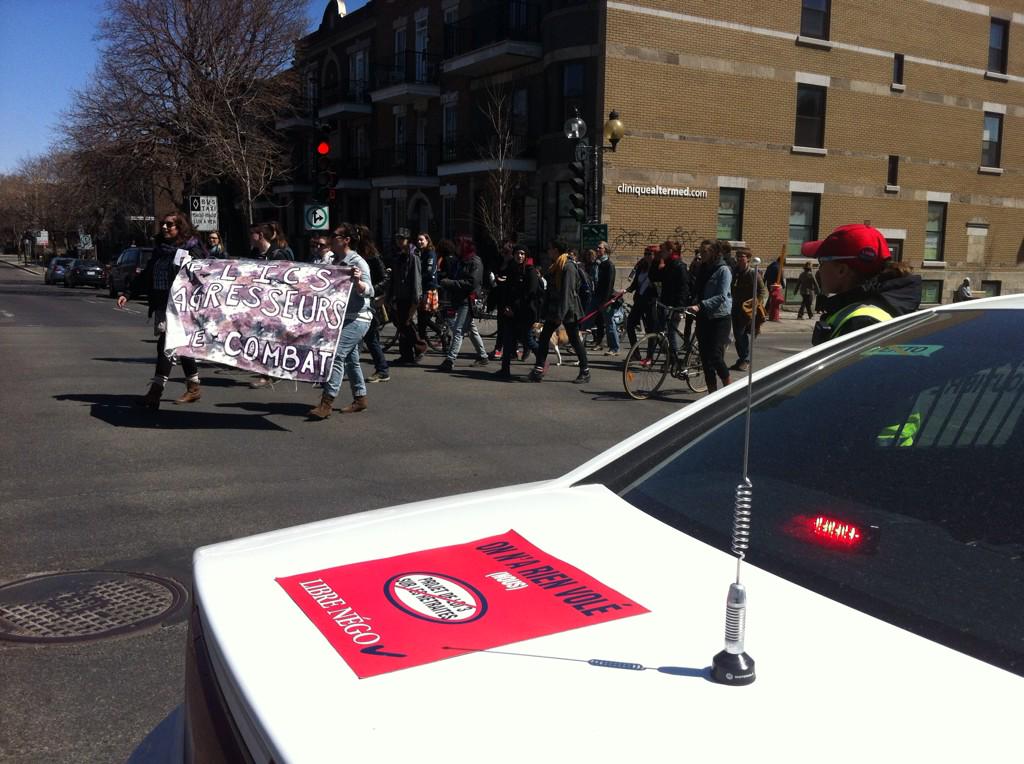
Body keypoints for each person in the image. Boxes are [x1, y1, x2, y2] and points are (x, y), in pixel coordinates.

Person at [116, 211, 206, 409]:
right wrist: (128, 293)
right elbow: (148, 274)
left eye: (169, 225)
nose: (164, 227)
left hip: (183, 307)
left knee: (166, 345)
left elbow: (205, 273)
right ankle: (194, 386)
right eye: (163, 224)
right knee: (180, 346)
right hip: (162, 304)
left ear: (180, 227)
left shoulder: (193, 248)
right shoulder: (160, 250)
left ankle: (155, 392)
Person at [803, 224, 922, 346]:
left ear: (842, 270)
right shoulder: (858, 309)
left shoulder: (862, 323)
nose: (819, 269)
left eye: (822, 261)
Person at [308, 223, 374, 418]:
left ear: (346, 240)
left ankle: (326, 404)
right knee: (352, 359)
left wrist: (358, 282)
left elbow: (370, 290)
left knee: (336, 355)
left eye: (335, 235)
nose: (331, 238)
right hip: (340, 318)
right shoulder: (333, 260)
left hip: (358, 318)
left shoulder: (358, 262)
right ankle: (360, 398)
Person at [528, 245, 591, 384]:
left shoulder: (568, 266)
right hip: (554, 309)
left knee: (574, 339)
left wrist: (560, 316)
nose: (548, 252)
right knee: (544, 337)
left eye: (550, 249)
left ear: (555, 249)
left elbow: (567, 293)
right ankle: (539, 368)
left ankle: (585, 370)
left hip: (568, 310)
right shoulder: (556, 265)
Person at [438, 237, 489, 371]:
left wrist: (450, 283)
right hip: (461, 298)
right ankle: (483, 356)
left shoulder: (475, 261)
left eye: (459, 245)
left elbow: (471, 283)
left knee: (458, 329)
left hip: (468, 300)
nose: (457, 248)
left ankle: (450, 359)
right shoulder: (461, 260)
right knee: (471, 329)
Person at [689, 239, 733, 392]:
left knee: (715, 355)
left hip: (719, 318)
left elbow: (722, 296)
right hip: (703, 316)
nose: (701, 255)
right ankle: (712, 394)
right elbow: (696, 289)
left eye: (704, 252)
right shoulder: (702, 268)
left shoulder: (723, 270)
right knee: (705, 358)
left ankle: (728, 390)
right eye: (700, 252)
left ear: (714, 253)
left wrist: (701, 305)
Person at [494, 246, 541, 379]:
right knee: (508, 340)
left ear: (526, 256)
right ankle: (505, 369)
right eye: (517, 253)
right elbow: (509, 291)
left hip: (525, 313)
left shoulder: (530, 271)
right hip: (511, 312)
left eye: (522, 253)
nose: (519, 256)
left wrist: (514, 309)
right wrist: (507, 307)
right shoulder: (512, 269)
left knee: (528, 340)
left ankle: (542, 362)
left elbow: (530, 294)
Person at [358, 226, 390, 383]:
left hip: (368, 301)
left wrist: (371, 291)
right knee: (358, 338)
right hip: (357, 301)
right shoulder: (356, 255)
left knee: (371, 337)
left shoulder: (372, 256)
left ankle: (382, 369)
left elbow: (385, 279)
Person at [388, 227, 425, 364]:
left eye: (402, 238)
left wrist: (416, 299)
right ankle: (406, 355)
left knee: (409, 325)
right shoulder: (399, 255)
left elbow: (416, 278)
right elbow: (395, 278)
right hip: (400, 296)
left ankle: (420, 348)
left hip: (409, 297)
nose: (399, 241)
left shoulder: (413, 255)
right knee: (402, 326)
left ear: (407, 240)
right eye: (398, 238)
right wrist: (389, 296)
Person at [729, 248, 767, 372]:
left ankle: (745, 359)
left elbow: (762, 291)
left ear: (748, 259)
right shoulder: (734, 271)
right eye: (738, 256)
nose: (740, 258)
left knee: (741, 334)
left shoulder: (752, 273)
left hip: (747, 309)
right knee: (738, 334)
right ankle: (742, 359)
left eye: (743, 256)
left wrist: (755, 304)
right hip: (735, 307)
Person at [624, 246, 659, 348]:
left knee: (651, 330)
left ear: (655, 255)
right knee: (630, 325)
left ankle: (650, 356)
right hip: (639, 300)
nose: (646, 256)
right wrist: (627, 290)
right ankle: (635, 353)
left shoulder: (658, 268)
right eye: (645, 253)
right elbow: (635, 283)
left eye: (649, 254)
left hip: (651, 302)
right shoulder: (641, 266)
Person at [593, 242, 617, 353]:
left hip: (605, 298)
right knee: (594, 322)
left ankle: (614, 347)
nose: (597, 249)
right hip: (596, 296)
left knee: (609, 323)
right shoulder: (597, 263)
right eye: (597, 247)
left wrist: (606, 301)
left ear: (605, 250)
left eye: (600, 247)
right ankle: (597, 342)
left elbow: (609, 284)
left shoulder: (609, 265)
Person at [416, 232, 439, 340]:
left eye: (422, 240)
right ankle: (422, 341)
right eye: (418, 240)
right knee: (422, 319)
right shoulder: (421, 253)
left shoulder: (430, 253)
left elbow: (429, 273)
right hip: (422, 288)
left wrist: (417, 278)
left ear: (427, 241)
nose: (419, 242)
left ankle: (440, 332)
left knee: (424, 318)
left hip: (429, 288)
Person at [764, 255, 785, 321]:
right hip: (775, 285)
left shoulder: (770, 266)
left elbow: (765, 275)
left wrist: (764, 282)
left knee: (771, 297)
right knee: (772, 299)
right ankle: (766, 311)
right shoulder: (778, 267)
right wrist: (783, 285)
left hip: (769, 284)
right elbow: (780, 277)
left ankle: (766, 311)